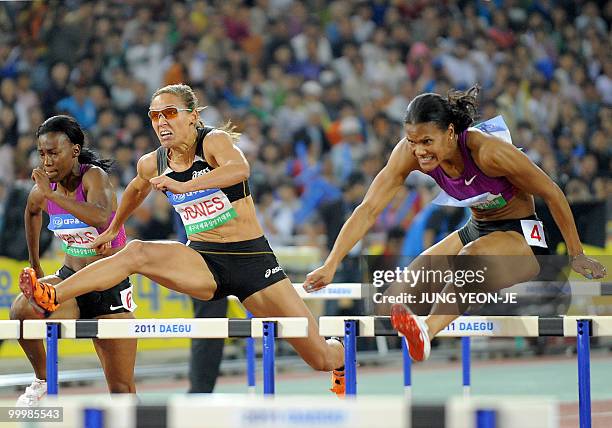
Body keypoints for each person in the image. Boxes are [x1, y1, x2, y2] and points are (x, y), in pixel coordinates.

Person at [19, 84, 345, 395]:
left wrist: (185, 187)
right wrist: (113, 226)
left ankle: (341, 356)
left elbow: (240, 169)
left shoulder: (213, 142)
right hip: (203, 261)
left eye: (170, 113)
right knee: (136, 252)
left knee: (319, 358)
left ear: (192, 116)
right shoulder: (153, 162)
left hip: (252, 263)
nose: (161, 121)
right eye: (154, 115)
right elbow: (135, 189)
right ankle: (53, 294)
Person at [303, 86, 607, 362]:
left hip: (522, 235)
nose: (419, 150)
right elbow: (368, 209)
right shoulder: (409, 153)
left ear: (450, 133)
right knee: (390, 304)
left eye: (426, 141)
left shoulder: (489, 153)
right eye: (412, 141)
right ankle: (464, 301)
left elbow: (552, 192)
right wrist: (331, 263)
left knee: (469, 262)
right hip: (476, 229)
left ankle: (428, 331)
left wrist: (576, 254)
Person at [10, 115, 137, 406]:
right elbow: (32, 212)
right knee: (21, 311)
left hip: (109, 288)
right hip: (69, 282)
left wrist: (50, 195)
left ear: (74, 151)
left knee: (122, 391)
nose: (47, 161)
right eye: (42, 153)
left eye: (54, 153)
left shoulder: (93, 177)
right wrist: (35, 263)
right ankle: (42, 379)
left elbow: (102, 216)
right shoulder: (45, 188)